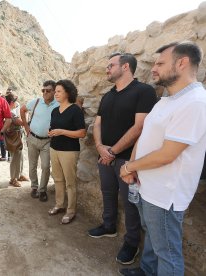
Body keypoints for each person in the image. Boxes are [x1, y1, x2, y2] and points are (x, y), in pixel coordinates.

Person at [119, 41, 206, 276]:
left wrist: (128, 165)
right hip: (148, 185)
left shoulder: (195, 102)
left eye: (160, 63)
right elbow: (145, 135)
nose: (154, 68)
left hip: (166, 194)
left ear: (182, 62)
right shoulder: (168, 99)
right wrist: (134, 169)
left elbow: (168, 154)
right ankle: (147, 271)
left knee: (167, 253)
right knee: (154, 239)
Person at [88, 52, 157, 265]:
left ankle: (132, 242)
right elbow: (97, 123)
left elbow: (140, 126)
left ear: (126, 66)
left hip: (128, 160)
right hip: (105, 156)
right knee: (107, 193)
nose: (107, 69)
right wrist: (100, 147)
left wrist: (112, 152)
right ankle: (108, 226)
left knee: (131, 204)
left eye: (111, 65)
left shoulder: (144, 91)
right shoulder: (108, 95)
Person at [47, 80, 86, 224]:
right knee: (57, 179)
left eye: (58, 91)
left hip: (69, 151)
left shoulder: (75, 110)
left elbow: (82, 133)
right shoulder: (55, 111)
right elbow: (53, 128)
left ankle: (70, 211)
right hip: (54, 148)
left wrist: (62, 131)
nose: (55, 94)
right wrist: (50, 132)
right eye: (55, 91)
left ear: (67, 93)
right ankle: (59, 205)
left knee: (70, 182)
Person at [20, 80, 59, 202]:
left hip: (48, 141)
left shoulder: (58, 104)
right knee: (32, 165)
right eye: (43, 90)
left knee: (46, 166)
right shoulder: (36, 101)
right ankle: (34, 187)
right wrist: (26, 127)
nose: (45, 93)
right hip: (32, 138)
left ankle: (42, 190)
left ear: (54, 92)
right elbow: (22, 109)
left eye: (48, 90)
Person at [4, 92, 28, 187]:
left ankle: (19, 175)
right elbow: (22, 123)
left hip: (15, 137)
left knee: (20, 156)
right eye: (14, 101)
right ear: (11, 103)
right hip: (13, 138)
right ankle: (13, 178)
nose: (16, 103)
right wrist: (25, 113)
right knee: (15, 159)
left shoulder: (10, 112)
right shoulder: (10, 113)